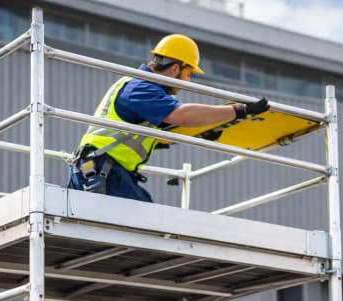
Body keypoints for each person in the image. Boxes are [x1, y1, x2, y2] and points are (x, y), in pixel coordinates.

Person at [69, 34, 269, 202]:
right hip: (103, 171)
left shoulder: (141, 87)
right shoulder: (141, 87)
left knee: (150, 222)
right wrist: (240, 110)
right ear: (175, 69)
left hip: (104, 170)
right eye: (188, 74)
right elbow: (182, 115)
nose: (187, 81)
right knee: (150, 229)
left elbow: (143, 130)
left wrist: (201, 132)